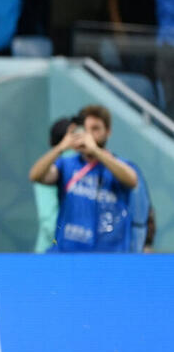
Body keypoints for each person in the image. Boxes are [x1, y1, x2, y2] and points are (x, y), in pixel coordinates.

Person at [28, 104, 138, 252]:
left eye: (96, 129)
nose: (90, 135)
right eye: (86, 130)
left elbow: (132, 180)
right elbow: (36, 175)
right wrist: (61, 147)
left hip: (110, 258)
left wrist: (96, 151)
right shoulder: (66, 164)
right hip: (69, 255)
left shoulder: (119, 165)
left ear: (108, 132)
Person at [32, 117, 72, 252]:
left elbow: (47, 220)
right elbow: (50, 222)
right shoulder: (54, 168)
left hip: (51, 253)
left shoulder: (47, 166)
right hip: (55, 253)